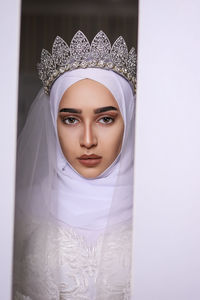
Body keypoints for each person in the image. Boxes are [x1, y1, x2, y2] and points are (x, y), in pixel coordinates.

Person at [13, 31, 136, 300]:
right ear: (51, 121)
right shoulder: (19, 208)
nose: (88, 140)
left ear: (129, 120)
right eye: (71, 120)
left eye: (105, 119)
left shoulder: (161, 209)